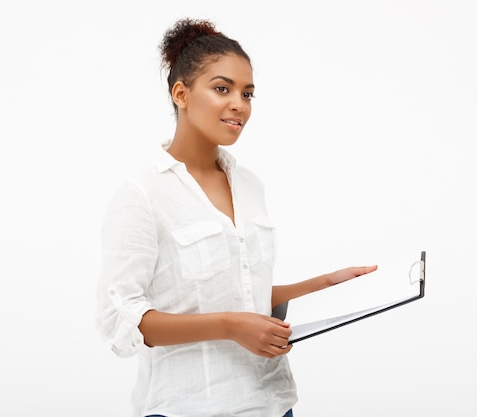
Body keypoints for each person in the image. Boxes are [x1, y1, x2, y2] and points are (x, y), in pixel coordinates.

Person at [96, 17, 378, 417]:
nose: (238, 105)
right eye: (221, 89)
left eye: (247, 93)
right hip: (189, 408)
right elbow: (121, 319)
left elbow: (243, 289)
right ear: (181, 93)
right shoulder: (142, 195)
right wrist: (230, 326)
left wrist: (324, 285)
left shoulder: (249, 185)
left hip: (273, 404)